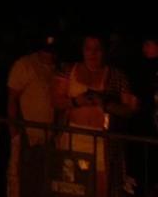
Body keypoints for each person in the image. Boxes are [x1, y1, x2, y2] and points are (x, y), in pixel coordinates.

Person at [58, 34, 138, 197]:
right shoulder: (68, 70)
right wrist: (76, 101)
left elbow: (129, 110)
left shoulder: (116, 76)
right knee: (74, 188)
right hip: (74, 139)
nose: (92, 53)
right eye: (88, 49)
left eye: (97, 49)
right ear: (82, 50)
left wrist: (106, 104)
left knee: (101, 189)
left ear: (105, 51)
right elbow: (55, 100)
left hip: (103, 142)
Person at [6, 33, 58, 197]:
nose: (49, 55)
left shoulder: (58, 69)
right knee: (24, 183)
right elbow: (12, 99)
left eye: (52, 51)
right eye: (46, 51)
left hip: (50, 140)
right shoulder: (25, 65)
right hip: (28, 138)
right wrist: (14, 132)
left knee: (44, 185)